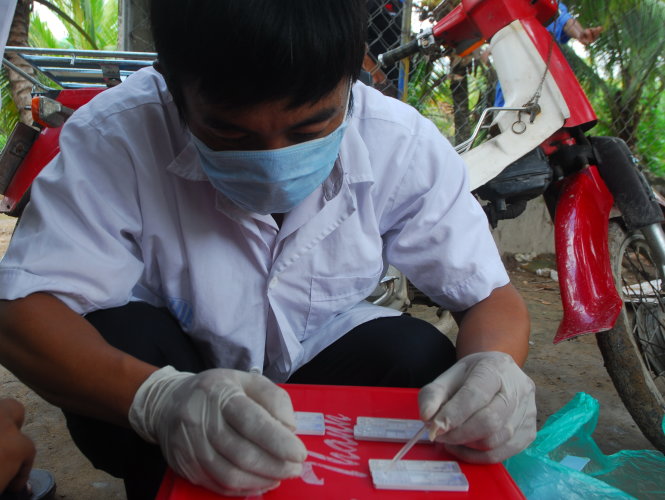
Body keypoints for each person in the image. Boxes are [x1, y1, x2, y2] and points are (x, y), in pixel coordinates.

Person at [0, 1, 535, 498]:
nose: (274, 160)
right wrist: (157, 402)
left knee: (416, 356)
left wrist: (494, 371)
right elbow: (21, 313)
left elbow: (488, 297)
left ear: (354, 75)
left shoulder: (399, 142)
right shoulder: (115, 134)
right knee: (121, 335)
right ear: (172, 85)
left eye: (311, 127)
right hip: (175, 369)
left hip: (322, 361)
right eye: (231, 135)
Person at [493, 1, 603, 107]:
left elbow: (565, 21)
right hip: (512, 72)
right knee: (506, 109)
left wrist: (580, 34)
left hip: (544, 78)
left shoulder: (551, 4)